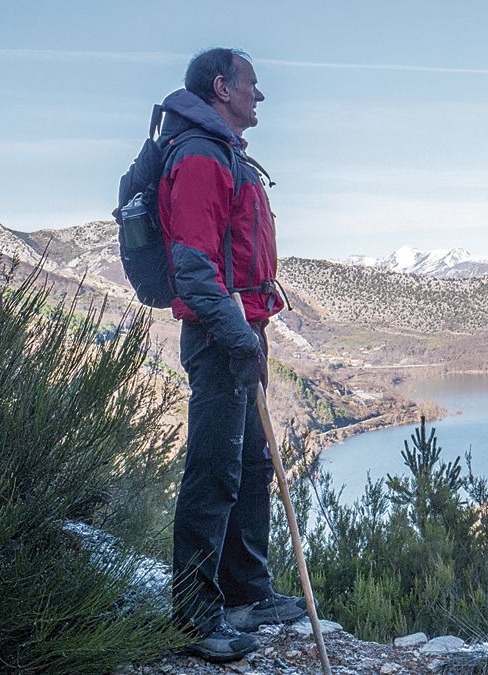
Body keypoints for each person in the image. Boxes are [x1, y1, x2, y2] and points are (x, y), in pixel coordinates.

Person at [158, 47, 304, 662]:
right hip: (222, 339)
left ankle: (248, 591)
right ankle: (194, 618)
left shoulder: (224, 154)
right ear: (222, 87)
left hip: (244, 333)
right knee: (214, 473)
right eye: (252, 84)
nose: (259, 95)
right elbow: (193, 268)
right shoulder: (198, 159)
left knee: (250, 467)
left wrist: (254, 334)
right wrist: (240, 336)